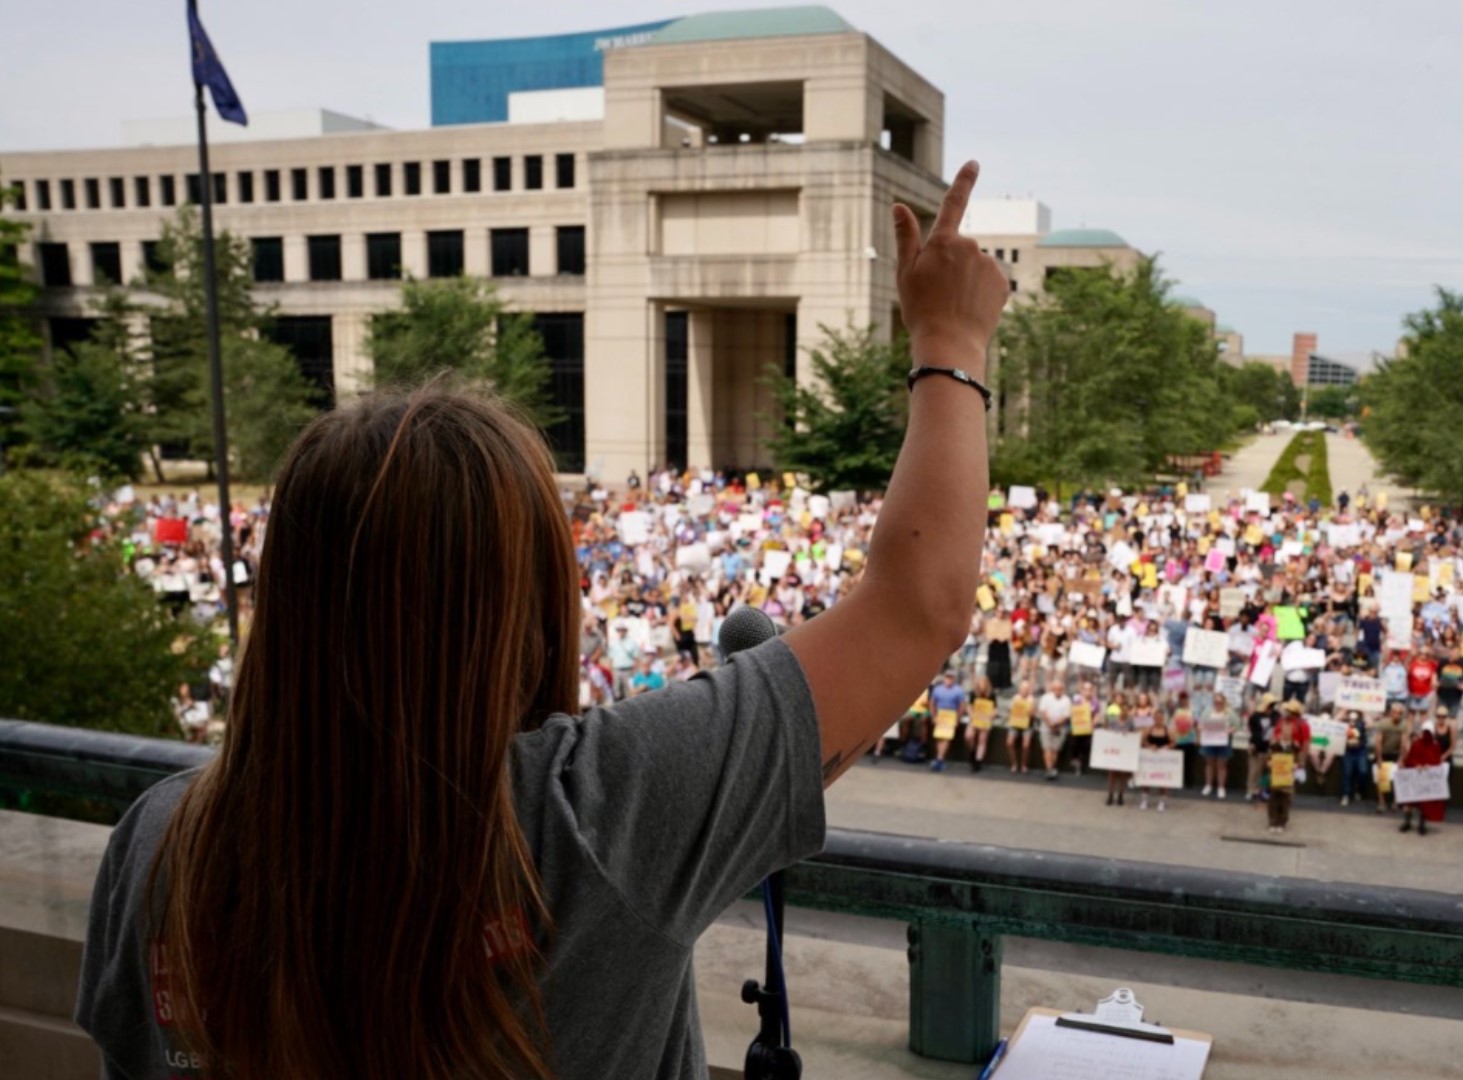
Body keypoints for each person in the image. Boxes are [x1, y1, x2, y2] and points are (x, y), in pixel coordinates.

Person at [74, 161, 1009, 1080]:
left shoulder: (159, 844)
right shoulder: (596, 813)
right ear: (520, 615)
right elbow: (917, 604)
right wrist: (952, 337)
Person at [1397, 721, 1447, 836]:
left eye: (1429, 732)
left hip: (1427, 779)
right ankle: (1407, 822)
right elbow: (1410, 758)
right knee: (1410, 802)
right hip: (1415, 777)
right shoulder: (1416, 744)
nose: (1427, 735)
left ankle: (1422, 824)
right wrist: (1416, 765)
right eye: (1425, 732)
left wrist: (1429, 767)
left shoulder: (1435, 746)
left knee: (1425, 803)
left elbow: (1437, 762)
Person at [1266, 714, 1303, 833]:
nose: (1287, 732)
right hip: (1275, 777)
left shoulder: (1295, 746)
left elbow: (1299, 760)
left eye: (1290, 729)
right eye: (1285, 729)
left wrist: (1296, 765)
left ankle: (1282, 822)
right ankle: (1273, 821)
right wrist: (1269, 763)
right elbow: (1267, 758)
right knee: (1273, 800)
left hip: (1288, 778)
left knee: (1285, 800)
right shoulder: (1274, 745)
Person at [927, 670, 968, 772]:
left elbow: (961, 706)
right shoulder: (937, 689)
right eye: (947, 677)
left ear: (954, 679)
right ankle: (939, 757)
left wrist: (958, 718)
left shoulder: (958, 691)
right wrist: (933, 716)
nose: (948, 679)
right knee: (939, 737)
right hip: (940, 714)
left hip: (951, 715)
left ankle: (940, 758)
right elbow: (932, 703)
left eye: (951, 677)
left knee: (946, 737)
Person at [1197, 691, 1234, 799]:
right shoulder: (1207, 712)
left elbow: (1237, 725)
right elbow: (1200, 724)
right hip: (1209, 741)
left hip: (1223, 742)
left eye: (1220, 702)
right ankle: (1208, 785)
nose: (1218, 704)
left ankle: (1221, 787)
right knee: (1209, 764)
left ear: (1224, 702)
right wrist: (1201, 729)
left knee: (1222, 765)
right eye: (1216, 702)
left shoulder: (1229, 713)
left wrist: (1230, 730)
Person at [1035, 678, 1072, 780]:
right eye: (1055, 688)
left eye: (1060, 688)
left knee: (1055, 749)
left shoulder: (1067, 700)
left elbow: (1066, 715)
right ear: (1052, 688)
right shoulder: (1045, 698)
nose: (1058, 690)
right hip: (1046, 727)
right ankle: (1049, 768)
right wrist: (1050, 724)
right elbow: (1043, 711)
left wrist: (1056, 725)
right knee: (1047, 748)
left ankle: (1052, 767)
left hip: (1060, 728)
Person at [1142, 710, 1175, 812]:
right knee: (1146, 779)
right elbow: (1143, 741)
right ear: (1153, 718)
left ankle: (1162, 801)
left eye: (1160, 718)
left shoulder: (1168, 730)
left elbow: (1174, 743)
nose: (1158, 720)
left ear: (1163, 719)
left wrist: (1166, 747)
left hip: (1163, 759)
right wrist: (1149, 746)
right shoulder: (1149, 729)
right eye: (1156, 718)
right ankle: (1144, 800)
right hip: (1150, 759)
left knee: (1162, 780)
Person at [1339, 709, 1371, 808]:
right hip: (1348, 751)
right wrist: (1345, 709)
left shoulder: (1362, 723)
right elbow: (1335, 720)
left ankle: (1359, 790)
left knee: (1363, 771)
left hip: (1360, 751)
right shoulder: (1344, 723)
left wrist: (1364, 711)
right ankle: (1346, 795)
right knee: (1347, 773)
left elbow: (1370, 724)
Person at [1007, 680, 1037, 774]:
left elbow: (1034, 715)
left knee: (1026, 745)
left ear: (1029, 690)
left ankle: (1024, 764)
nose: (1024, 690)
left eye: (1026, 689)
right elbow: (1010, 711)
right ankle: (1014, 764)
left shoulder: (1032, 699)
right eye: (1022, 688)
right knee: (1009, 743)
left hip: (1027, 724)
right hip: (1015, 723)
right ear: (1019, 689)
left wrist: (1031, 712)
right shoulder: (1015, 698)